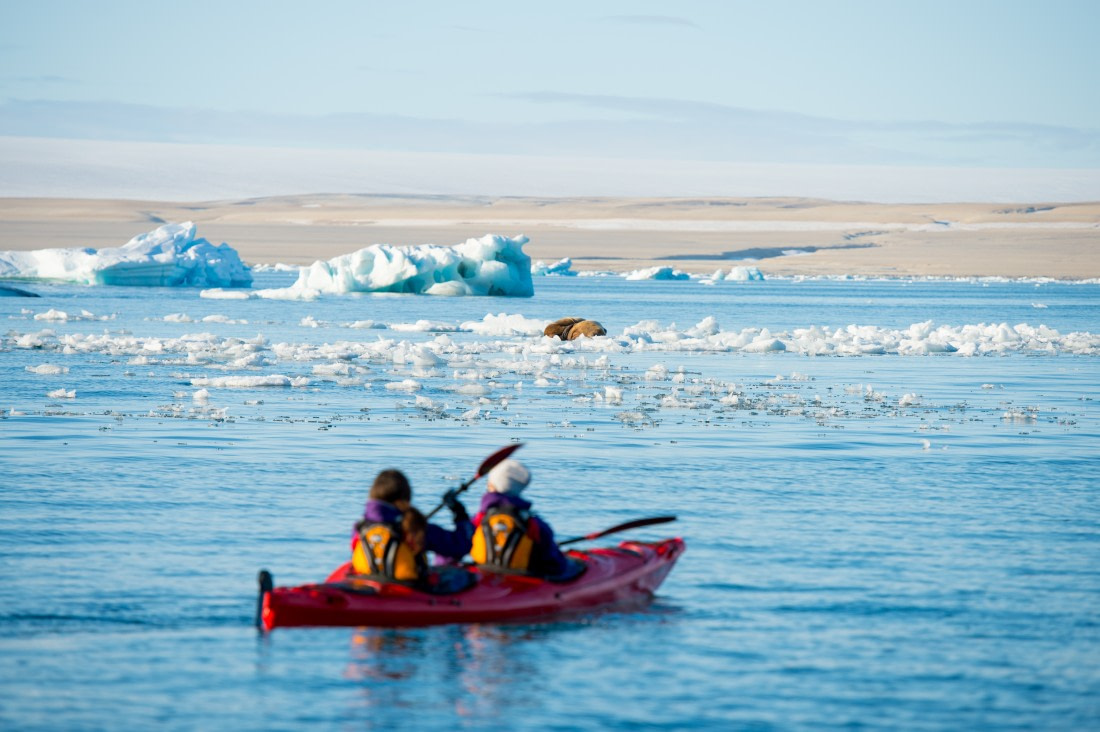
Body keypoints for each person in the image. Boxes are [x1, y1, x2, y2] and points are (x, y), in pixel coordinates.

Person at [351, 469, 473, 585]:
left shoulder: (360, 527)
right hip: (409, 590)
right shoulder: (414, 527)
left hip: (366, 583)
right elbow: (461, 545)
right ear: (406, 498)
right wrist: (459, 512)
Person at [470, 459, 581, 580]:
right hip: (523, 580)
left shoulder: (478, 519)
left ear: (490, 485)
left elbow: (459, 545)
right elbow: (555, 565)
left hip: (484, 572)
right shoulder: (534, 524)